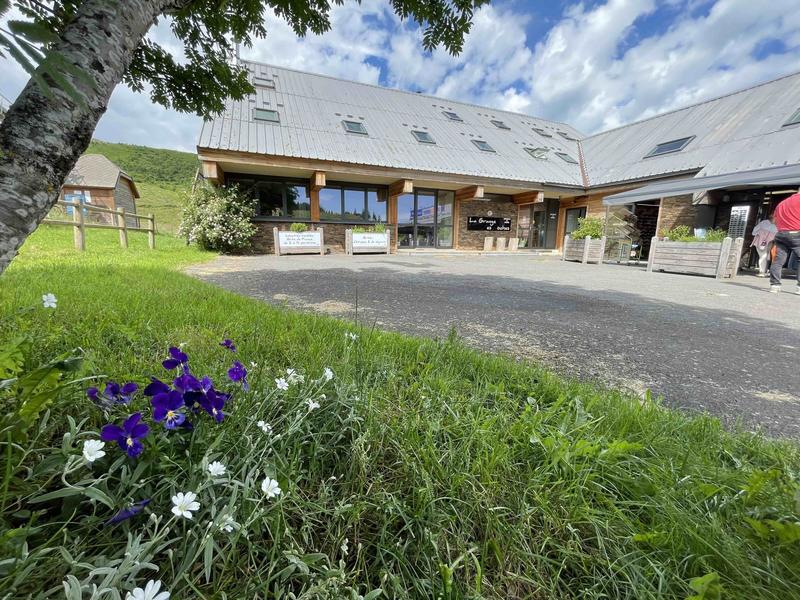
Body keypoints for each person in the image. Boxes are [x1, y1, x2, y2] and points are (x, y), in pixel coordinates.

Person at [769, 192, 800, 293]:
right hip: (796, 233)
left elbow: (773, 221)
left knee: (778, 260)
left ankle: (774, 285)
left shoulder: (781, 203)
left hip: (781, 234)